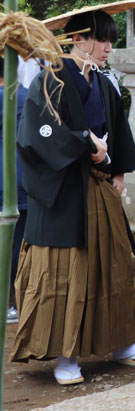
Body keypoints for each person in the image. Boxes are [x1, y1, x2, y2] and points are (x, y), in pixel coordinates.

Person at [13, 4, 135, 385]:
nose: (108, 48)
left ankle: (123, 342)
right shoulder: (52, 78)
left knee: (114, 266)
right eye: (102, 39)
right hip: (64, 194)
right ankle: (67, 356)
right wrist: (85, 144)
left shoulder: (103, 80)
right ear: (78, 40)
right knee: (69, 274)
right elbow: (35, 134)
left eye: (110, 41)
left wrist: (118, 171)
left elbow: (118, 127)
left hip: (98, 188)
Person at [4, 58, 30, 324]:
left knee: (10, 247)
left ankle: (12, 302)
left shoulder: (4, 97)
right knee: (22, 244)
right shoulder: (29, 94)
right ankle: (20, 301)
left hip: (7, 182)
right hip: (29, 180)